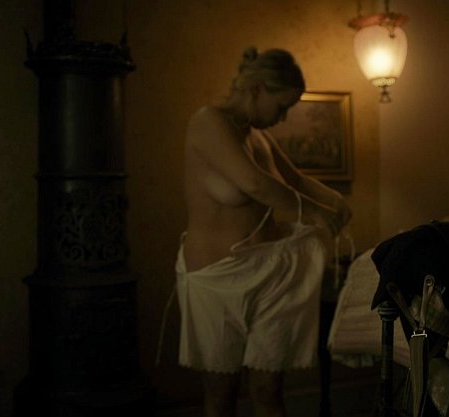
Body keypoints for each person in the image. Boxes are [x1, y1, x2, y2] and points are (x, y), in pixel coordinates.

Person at [176, 47, 351, 417]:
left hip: (271, 274)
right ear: (257, 89)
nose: (283, 118)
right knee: (222, 392)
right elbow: (254, 183)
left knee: (269, 390)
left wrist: (334, 200)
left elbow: (295, 180)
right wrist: (315, 213)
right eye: (282, 107)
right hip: (219, 275)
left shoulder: (258, 135)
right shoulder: (208, 121)